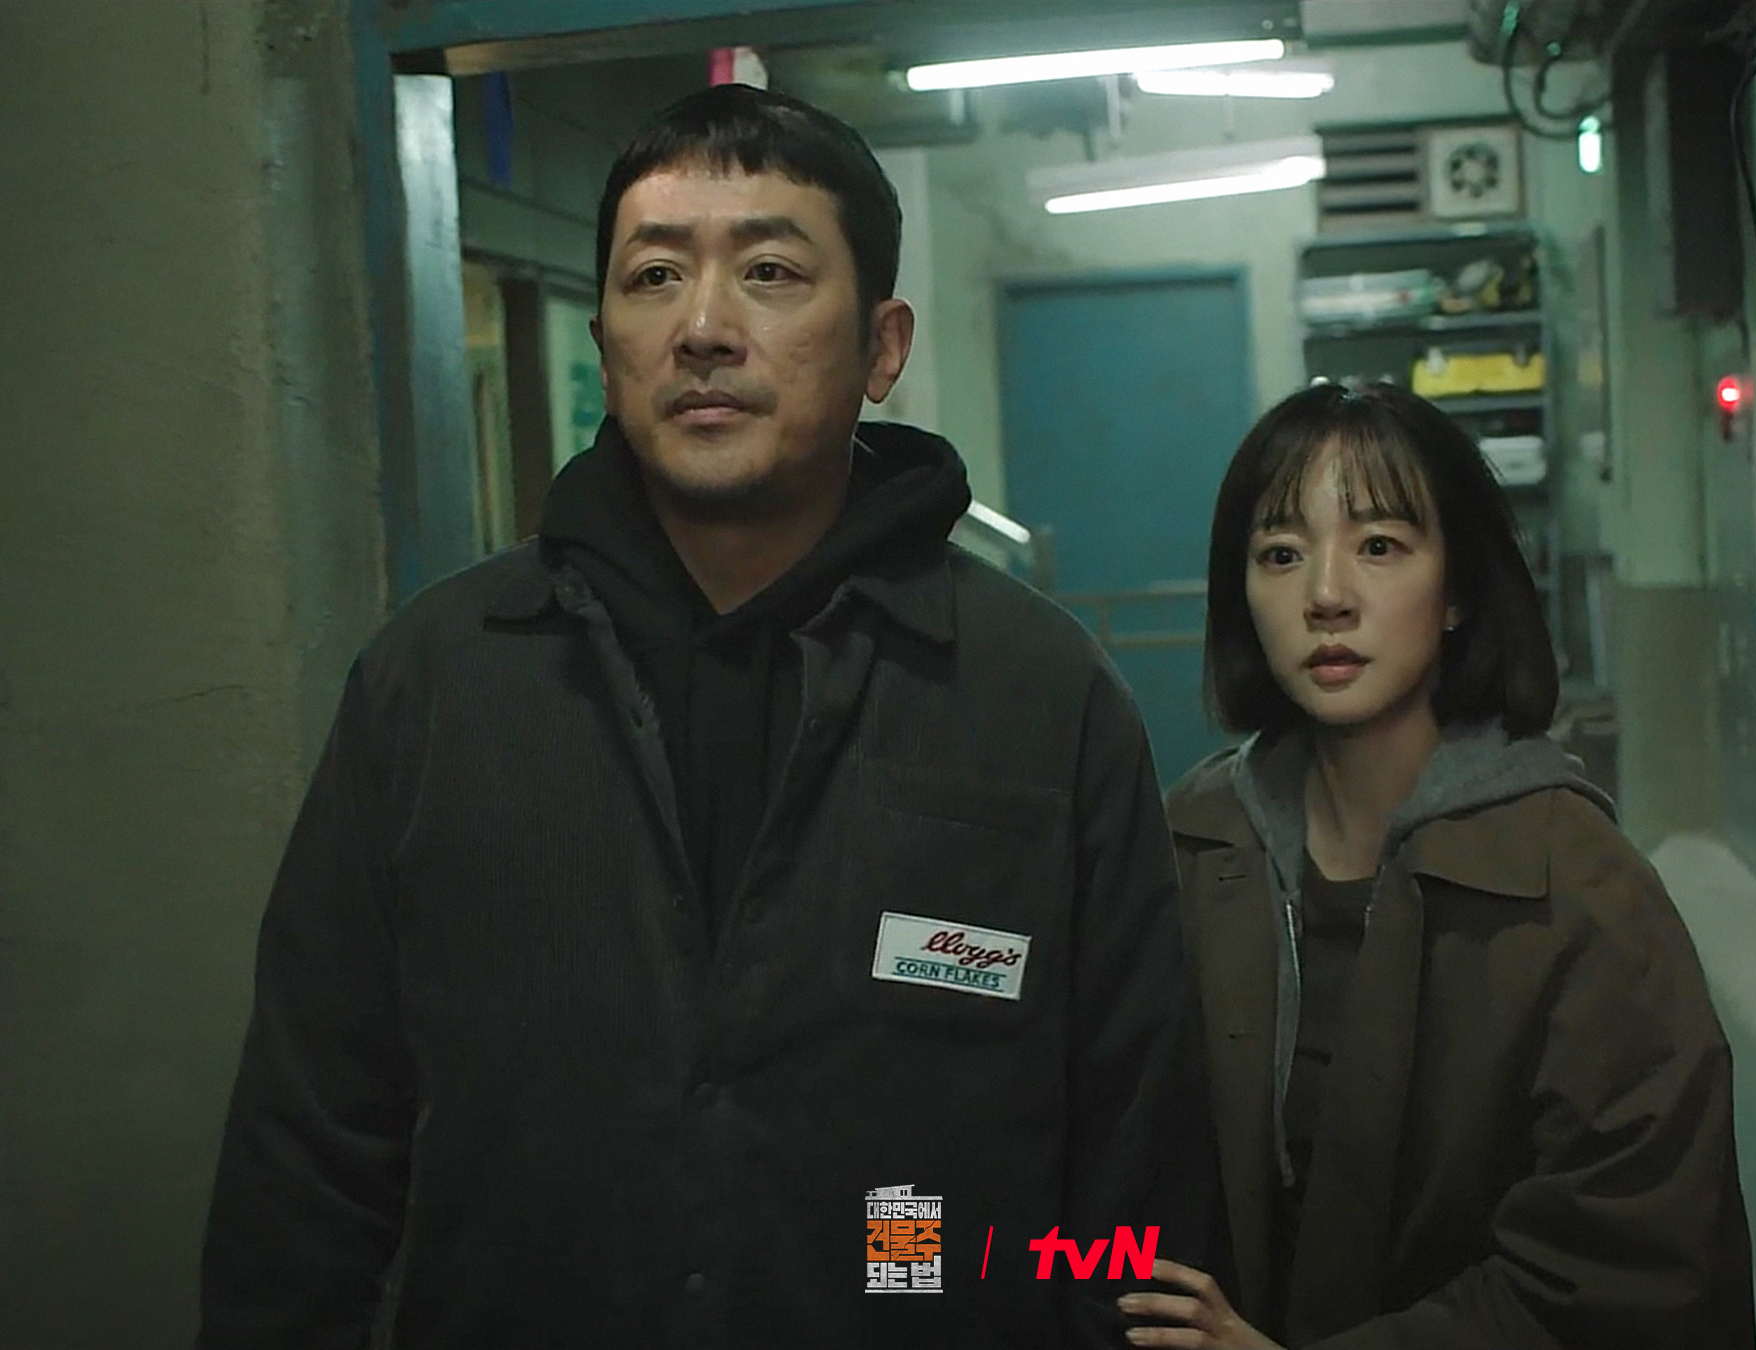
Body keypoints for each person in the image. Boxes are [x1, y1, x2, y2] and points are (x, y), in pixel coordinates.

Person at [198, 83, 1210, 1349]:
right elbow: (309, 1155)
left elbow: (1135, 1172)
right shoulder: (440, 683)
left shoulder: (1036, 696)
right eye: (655, 276)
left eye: (771, 272)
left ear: (883, 345)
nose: (704, 329)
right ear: (609, 334)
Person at [1117, 382, 1756, 1349]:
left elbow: (1626, 1271)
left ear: (1457, 590)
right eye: (1281, 554)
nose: (1326, 595)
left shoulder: (1579, 889)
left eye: (1379, 545)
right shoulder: (1193, 845)